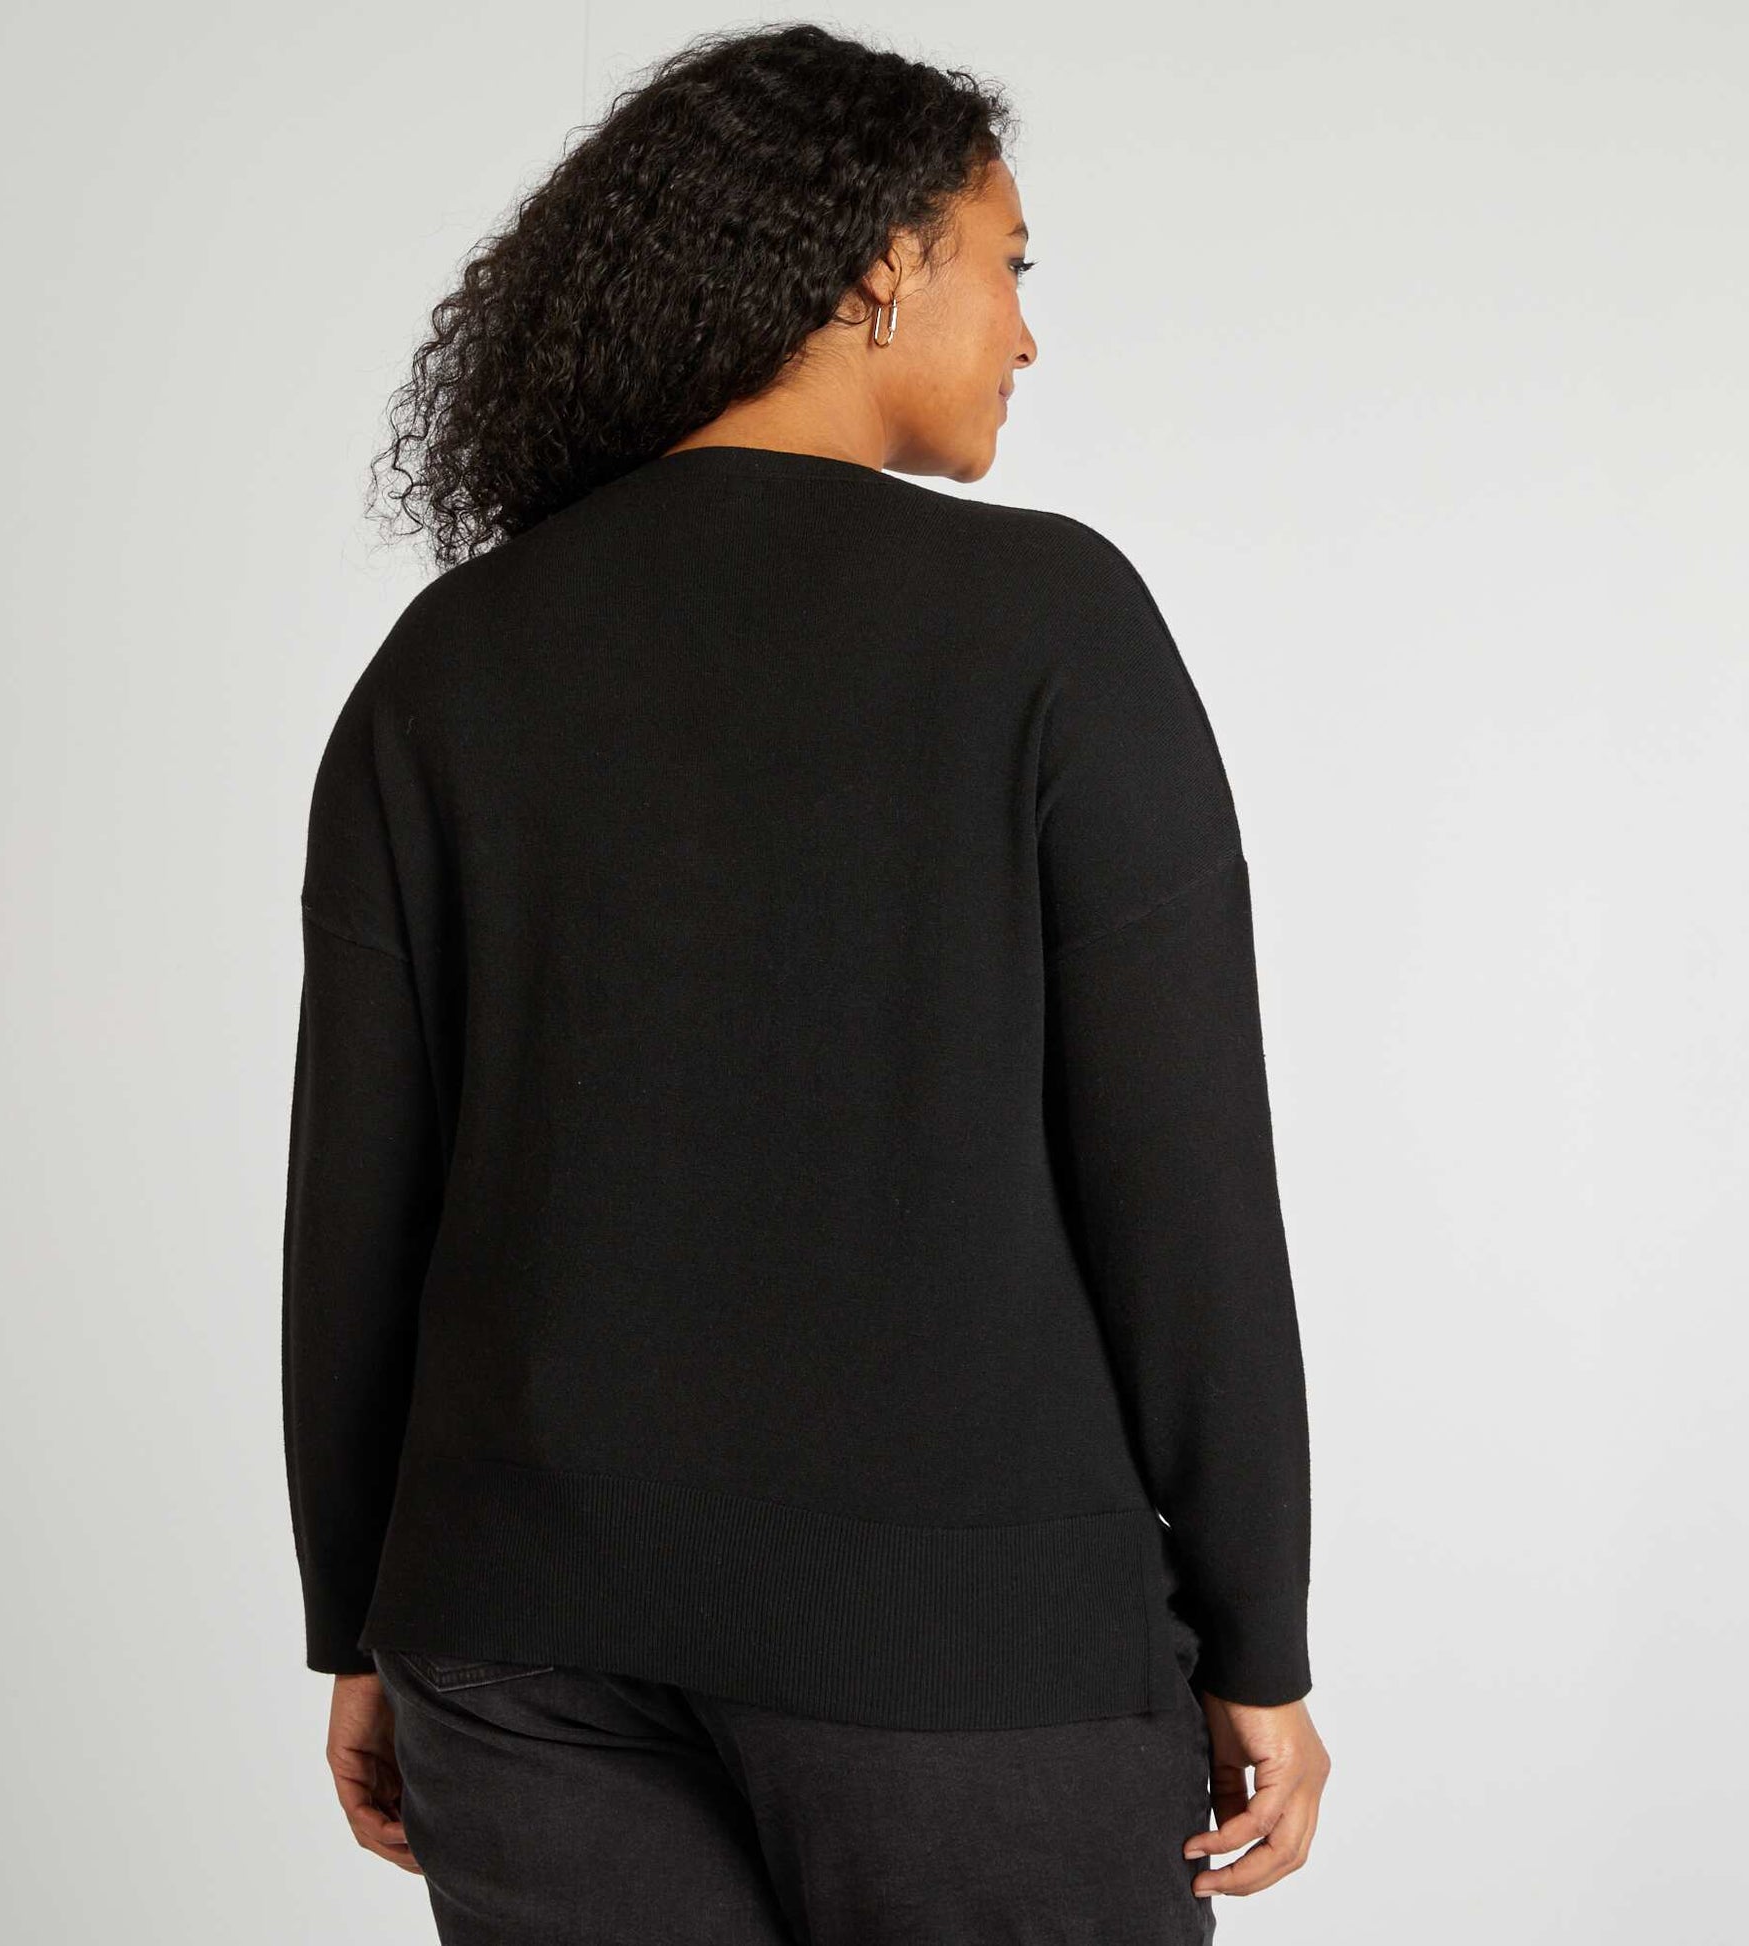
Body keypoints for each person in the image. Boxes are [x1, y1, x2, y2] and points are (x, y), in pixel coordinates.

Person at [282, 22, 1329, 1943]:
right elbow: (1178, 1170)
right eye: (1007, 262)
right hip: (963, 1647)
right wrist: (1256, 1629)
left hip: (514, 1637)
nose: (1027, 334)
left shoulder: (449, 660)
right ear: (878, 263)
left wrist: (362, 1612)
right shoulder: (1047, 621)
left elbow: (361, 1194)